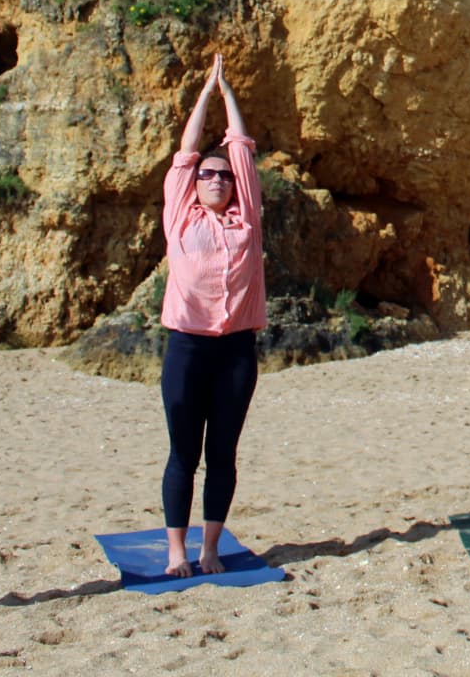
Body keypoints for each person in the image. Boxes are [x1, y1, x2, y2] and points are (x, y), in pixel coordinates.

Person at [158, 54, 267, 577]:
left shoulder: (248, 218)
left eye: (223, 174)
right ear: (195, 183)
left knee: (222, 453)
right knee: (184, 452)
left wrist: (230, 95)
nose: (218, 178)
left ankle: (209, 549)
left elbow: (241, 150)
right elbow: (185, 153)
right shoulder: (180, 212)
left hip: (236, 350)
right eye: (209, 174)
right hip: (188, 346)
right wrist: (205, 95)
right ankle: (177, 552)